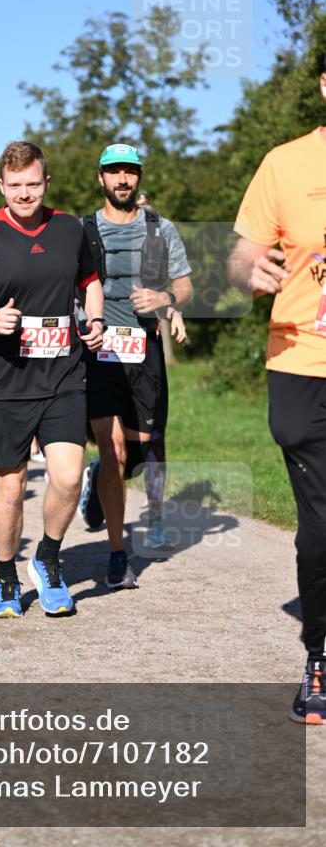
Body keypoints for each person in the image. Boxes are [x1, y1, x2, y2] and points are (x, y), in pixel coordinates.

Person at [0, 140, 104, 618]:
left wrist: (94, 322)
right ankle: (6, 578)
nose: (25, 194)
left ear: (46, 183)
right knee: (10, 488)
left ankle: (49, 561)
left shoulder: (71, 228)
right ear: (2, 186)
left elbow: (89, 282)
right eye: (15, 186)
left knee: (69, 476)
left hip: (63, 373)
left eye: (33, 184)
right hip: (4, 379)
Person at [227, 57, 326, 724]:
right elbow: (237, 256)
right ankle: (318, 654)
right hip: (301, 364)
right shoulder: (284, 164)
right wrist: (248, 269)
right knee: (320, 528)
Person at [80, 143, 193, 587]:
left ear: (139, 177)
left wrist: (166, 298)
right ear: (101, 179)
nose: (122, 180)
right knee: (115, 451)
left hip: (143, 351)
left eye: (129, 172)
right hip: (99, 351)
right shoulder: (83, 230)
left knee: (143, 447)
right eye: (114, 172)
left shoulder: (160, 229)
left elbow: (184, 285)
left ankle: (101, 478)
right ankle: (116, 554)